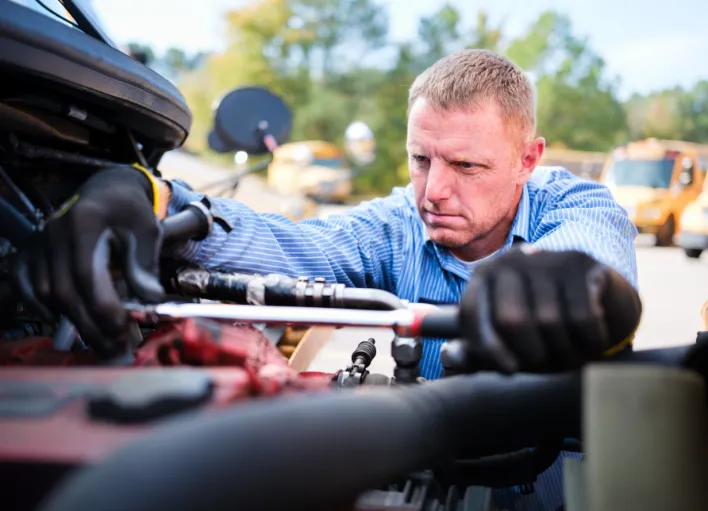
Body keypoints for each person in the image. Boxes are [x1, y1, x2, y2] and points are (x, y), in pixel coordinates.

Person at [14, 49, 641, 511]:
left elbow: (592, 258)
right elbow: (297, 244)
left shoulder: (577, 207)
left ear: (528, 159)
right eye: (421, 159)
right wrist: (155, 199)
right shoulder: (397, 221)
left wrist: (561, 282)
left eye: (467, 165)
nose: (434, 191)